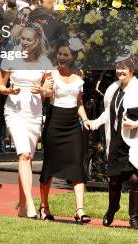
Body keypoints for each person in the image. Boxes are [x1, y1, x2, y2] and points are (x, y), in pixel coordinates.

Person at [0, 23, 53, 218]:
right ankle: (30, 205)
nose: (25, 42)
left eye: (29, 39)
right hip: (14, 111)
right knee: (24, 155)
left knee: (27, 158)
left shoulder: (45, 62)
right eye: (23, 39)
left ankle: (22, 206)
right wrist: (9, 90)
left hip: (35, 113)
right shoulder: (11, 57)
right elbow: (0, 86)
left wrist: (42, 90)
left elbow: (49, 89)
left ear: (37, 41)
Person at [85, 51, 138, 230]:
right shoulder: (113, 88)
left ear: (132, 69)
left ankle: (134, 218)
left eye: (123, 68)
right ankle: (112, 207)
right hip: (115, 141)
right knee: (114, 181)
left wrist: (135, 124)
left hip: (133, 142)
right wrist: (95, 122)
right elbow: (108, 113)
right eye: (118, 67)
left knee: (135, 179)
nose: (120, 71)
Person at [39, 42, 91, 223]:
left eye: (65, 54)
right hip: (54, 124)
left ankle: (80, 210)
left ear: (73, 57)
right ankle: (44, 208)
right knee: (50, 166)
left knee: (77, 165)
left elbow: (79, 103)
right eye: (59, 54)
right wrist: (42, 90)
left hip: (73, 127)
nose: (61, 57)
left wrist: (85, 120)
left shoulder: (79, 76)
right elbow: (45, 93)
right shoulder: (51, 74)